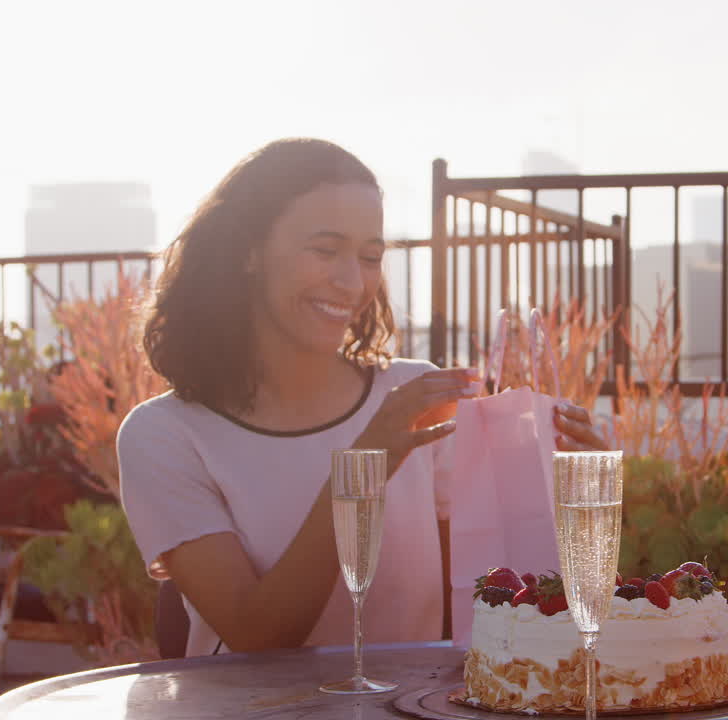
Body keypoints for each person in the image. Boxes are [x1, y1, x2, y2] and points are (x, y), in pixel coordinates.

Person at [118, 138, 606, 657]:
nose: (353, 282)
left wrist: (570, 493)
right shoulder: (164, 435)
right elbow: (256, 634)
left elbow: (498, 604)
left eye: (370, 257)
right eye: (326, 250)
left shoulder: (420, 399)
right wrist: (364, 467)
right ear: (249, 252)